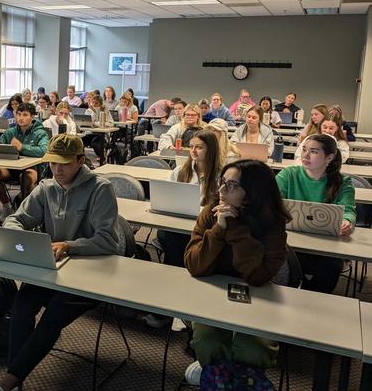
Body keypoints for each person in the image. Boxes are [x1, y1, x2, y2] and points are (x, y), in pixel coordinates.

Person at [0, 134, 120, 391]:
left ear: (81, 161)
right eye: (52, 163)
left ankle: (8, 382)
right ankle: (15, 380)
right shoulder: (46, 187)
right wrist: (17, 235)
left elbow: (108, 242)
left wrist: (70, 246)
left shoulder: (101, 189)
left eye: (64, 164)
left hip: (90, 274)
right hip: (53, 269)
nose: (57, 169)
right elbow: (17, 219)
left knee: (53, 316)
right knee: (22, 304)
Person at [183, 160, 289, 387]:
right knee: (207, 342)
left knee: (253, 349)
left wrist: (235, 228)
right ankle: (215, 370)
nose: (221, 191)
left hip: (257, 296)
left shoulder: (273, 223)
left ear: (251, 193)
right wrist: (218, 229)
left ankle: (232, 375)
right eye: (222, 183)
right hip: (212, 290)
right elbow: (194, 264)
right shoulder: (211, 212)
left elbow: (258, 276)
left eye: (231, 186)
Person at [143, 130, 222, 330]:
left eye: (199, 147)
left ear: (210, 150)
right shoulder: (180, 171)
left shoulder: (221, 175)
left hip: (205, 229)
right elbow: (166, 197)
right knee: (174, 240)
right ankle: (173, 304)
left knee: (179, 247)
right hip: (175, 225)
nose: (193, 151)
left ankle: (174, 306)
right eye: (192, 147)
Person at [276, 134, 356, 293]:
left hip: (327, 246)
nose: (305, 155)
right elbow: (272, 203)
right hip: (291, 240)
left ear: (329, 157)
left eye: (313, 151)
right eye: (304, 149)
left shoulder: (343, 182)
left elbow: (348, 211)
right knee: (280, 262)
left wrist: (347, 222)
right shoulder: (288, 174)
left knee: (330, 268)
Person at [0, 103, 49, 219]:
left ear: (32, 117)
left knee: (27, 178)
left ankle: (24, 211)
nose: (21, 118)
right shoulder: (11, 132)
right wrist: (2, 148)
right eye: (18, 114)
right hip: (11, 167)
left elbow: (43, 151)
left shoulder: (41, 133)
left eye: (25, 115)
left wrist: (22, 147)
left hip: (32, 168)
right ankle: (7, 206)